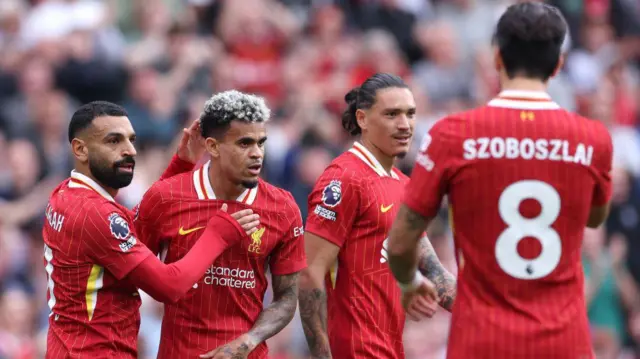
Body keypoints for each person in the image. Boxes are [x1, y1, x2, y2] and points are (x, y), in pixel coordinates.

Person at [387, 3, 613, 359]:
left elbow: (400, 243)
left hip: (482, 342)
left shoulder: (453, 135)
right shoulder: (592, 139)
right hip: (563, 343)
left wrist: (410, 283)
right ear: (558, 65)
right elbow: (595, 218)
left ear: (496, 58)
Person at [43, 101, 259, 359]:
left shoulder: (66, 193)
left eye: (131, 140)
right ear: (80, 149)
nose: (130, 150)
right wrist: (218, 234)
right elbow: (169, 286)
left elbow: (131, 232)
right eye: (114, 141)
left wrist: (180, 166)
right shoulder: (95, 213)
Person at [134, 90, 306, 359]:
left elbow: (286, 299)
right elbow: (130, 271)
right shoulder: (166, 197)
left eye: (261, 143)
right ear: (212, 146)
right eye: (244, 143)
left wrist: (248, 341)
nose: (256, 154)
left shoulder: (282, 208)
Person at [298, 73, 455, 359]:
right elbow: (309, 274)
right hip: (354, 350)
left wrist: (496, 315)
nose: (405, 124)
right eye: (391, 114)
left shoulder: (403, 184)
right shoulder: (344, 178)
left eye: (410, 114)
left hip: (389, 349)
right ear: (363, 119)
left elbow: (433, 271)